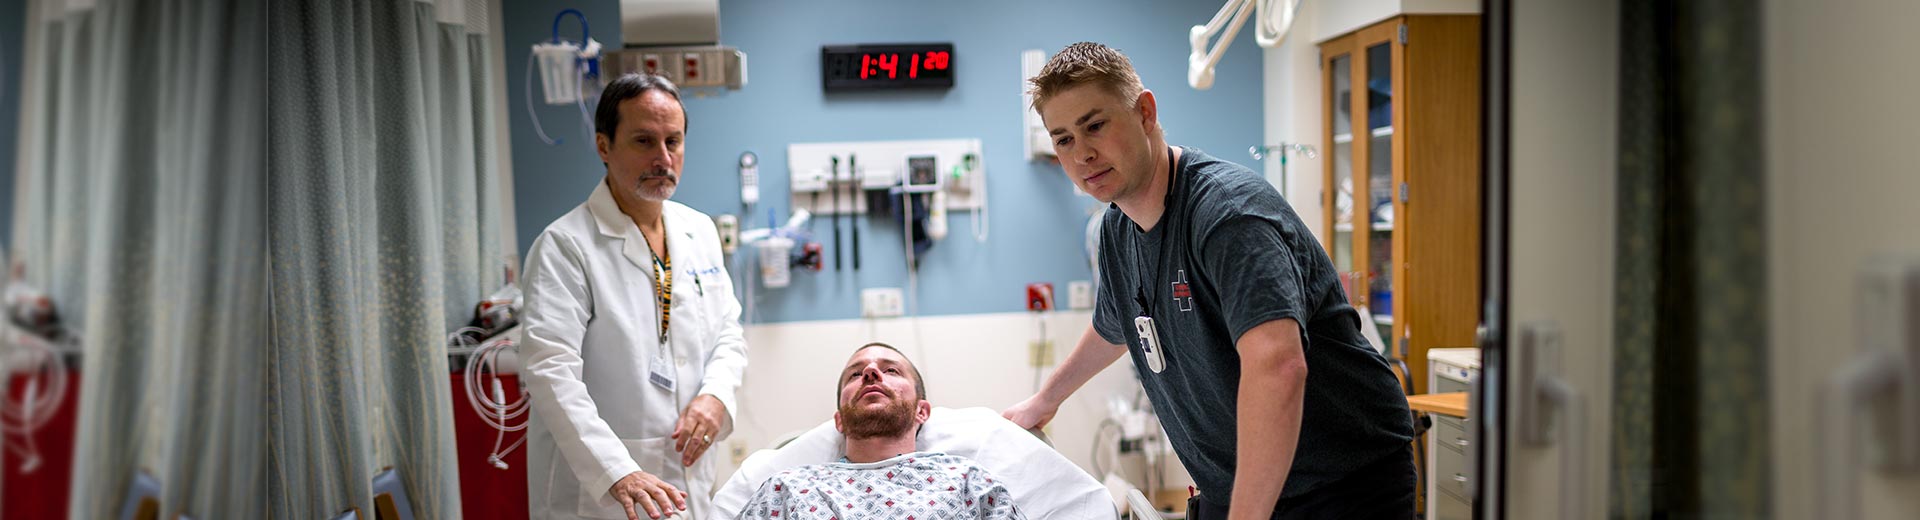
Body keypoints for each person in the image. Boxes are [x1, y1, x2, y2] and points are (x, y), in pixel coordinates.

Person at [1000, 42, 1416, 519]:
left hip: (1338, 483)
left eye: (1095, 126)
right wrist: (1044, 401)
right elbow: (1115, 326)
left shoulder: (1227, 216)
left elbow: (1279, 365)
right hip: (1235, 482)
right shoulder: (1117, 227)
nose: (1083, 154)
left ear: (1145, 113)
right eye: (1064, 139)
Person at [522, 73, 749, 520]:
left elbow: (728, 331)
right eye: (644, 141)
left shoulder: (699, 230)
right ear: (604, 146)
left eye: (673, 141)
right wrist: (616, 471)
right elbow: (550, 371)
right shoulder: (566, 246)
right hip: (599, 490)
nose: (663, 158)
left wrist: (716, 395)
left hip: (686, 471)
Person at [738, 343, 1026, 519]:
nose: (871, 373)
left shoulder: (969, 483)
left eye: (891, 371)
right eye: (855, 374)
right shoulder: (788, 489)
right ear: (840, 421)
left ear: (922, 412)